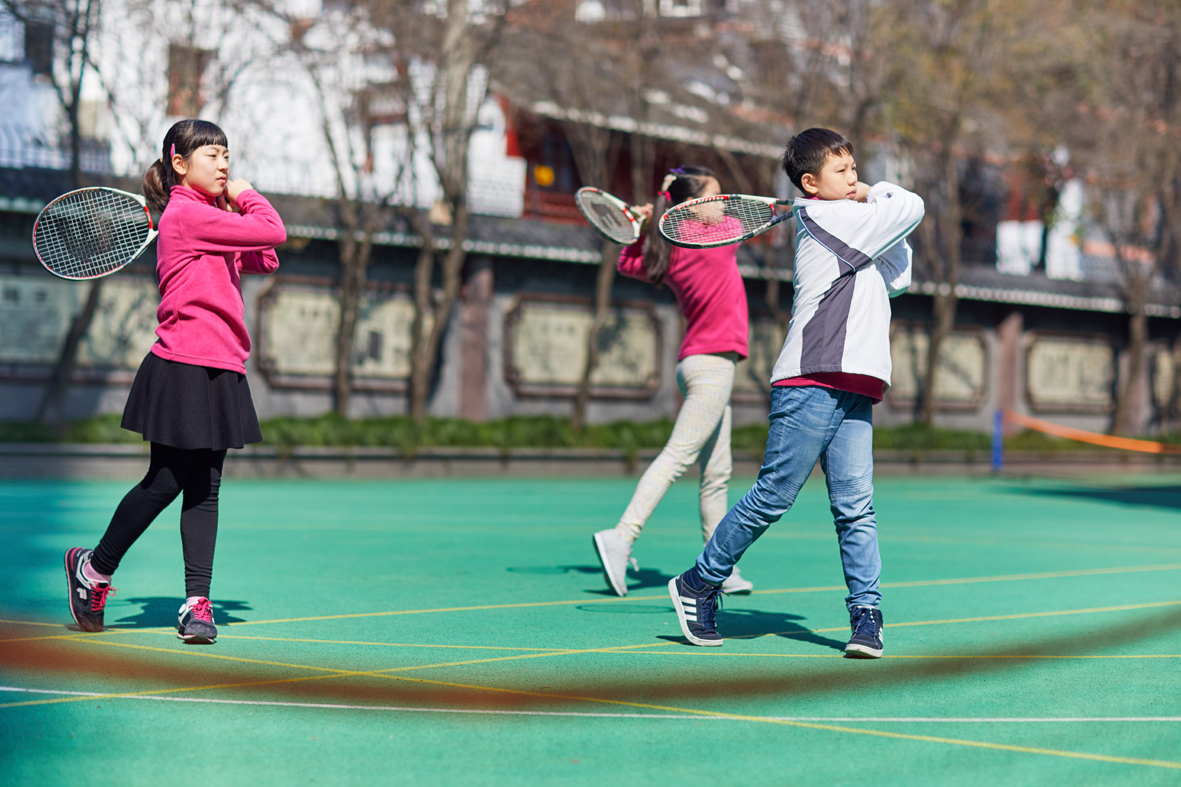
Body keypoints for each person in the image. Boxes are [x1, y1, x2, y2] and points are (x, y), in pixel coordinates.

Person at [666, 128, 924, 657]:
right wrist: (874, 192)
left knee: (856, 508)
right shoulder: (828, 216)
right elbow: (910, 205)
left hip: (854, 379)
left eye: (855, 168)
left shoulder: (853, 222)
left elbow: (900, 274)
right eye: (841, 171)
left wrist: (871, 203)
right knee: (774, 496)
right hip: (811, 377)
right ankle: (698, 582)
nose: (853, 178)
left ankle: (866, 618)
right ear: (810, 184)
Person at [64, 119, 286, 644]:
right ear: (179, 164)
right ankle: (93, 568)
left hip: (223, 365)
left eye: (227, 155)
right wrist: (246, 195)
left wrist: (230, 206)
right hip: (182, 362)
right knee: (166, 481)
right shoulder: (186, 215)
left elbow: (265, 256)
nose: (225, 164)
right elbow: (273, 229)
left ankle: (196, 603)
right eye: (212, 155)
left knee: (205, 486)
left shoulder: (209, 216)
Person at [592, 166, 755, 597]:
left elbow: (629, 261)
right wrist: (661, 215)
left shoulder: (669, 251)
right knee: (678, 458)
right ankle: (621, 537)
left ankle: (720, 567)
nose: (722, 203)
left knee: (716, 473)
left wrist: (648, 225)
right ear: (690, 206)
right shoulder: (715, 238)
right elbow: (737, 223)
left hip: (699, 365)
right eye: (714, 196)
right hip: (713, 366)